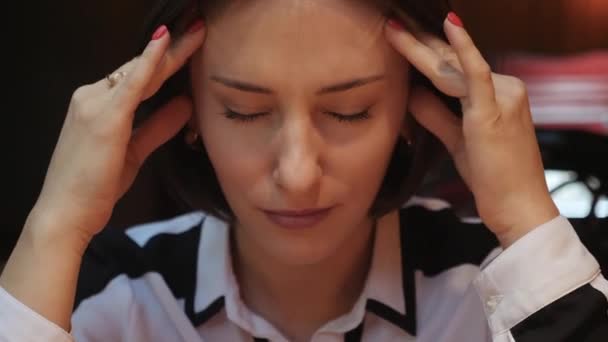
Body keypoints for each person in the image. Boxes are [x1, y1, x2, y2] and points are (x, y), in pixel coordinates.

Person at [1, 0, 606, 341]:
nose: (297, 174)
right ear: (188, 113)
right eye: (244, 111)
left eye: (349, 111)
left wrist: (526, 219)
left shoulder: (499, 289)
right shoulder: (101, 295)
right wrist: (53, 227)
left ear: (410, 109)